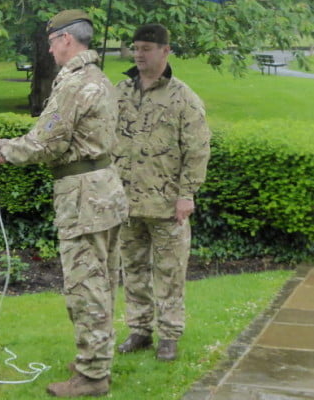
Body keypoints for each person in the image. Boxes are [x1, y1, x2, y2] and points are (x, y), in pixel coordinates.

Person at [0, 9, 128, 398]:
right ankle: (94, 359)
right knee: (102, 284)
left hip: (84, 198)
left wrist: (0, 149)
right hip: (103, 192)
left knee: (86, 289)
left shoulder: (76, 83)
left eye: (51, 41)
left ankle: (92, 377)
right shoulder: (98, 78)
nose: (48, 48)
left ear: (66, 39)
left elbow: (44, 144)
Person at [113, 23, 211, 361]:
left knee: (170, 273)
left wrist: (188, 193)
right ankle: (139, 330)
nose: (139, 54)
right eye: (136, 47)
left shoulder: (184, 98)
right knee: (134, 270)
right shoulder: (121, 91)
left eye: (147, 48)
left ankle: (169, 335)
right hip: (126, 203)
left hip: (167, 203)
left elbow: (197, 150)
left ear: (165, 51)